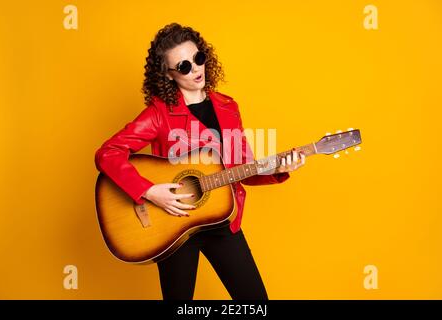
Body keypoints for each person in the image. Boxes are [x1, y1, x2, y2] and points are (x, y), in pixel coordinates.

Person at [94, 22, 306, 300]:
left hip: (222, 219)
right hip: (173, 224)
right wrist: (147, 190)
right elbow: (107, 153)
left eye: (198, 59)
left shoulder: (228, 107)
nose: (195, 69)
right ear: (168, 75)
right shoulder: (158, 114)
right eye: (183, 66)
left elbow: (241, 167)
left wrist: (278, 169)